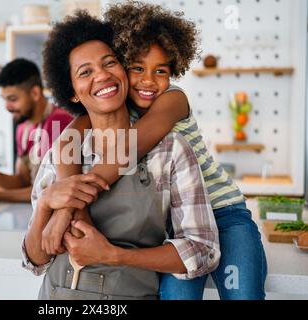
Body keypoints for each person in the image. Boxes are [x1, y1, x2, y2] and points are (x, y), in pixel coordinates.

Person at [46, 2, 267, 300]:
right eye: (137, 68)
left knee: (245, 296)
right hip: (175, 228)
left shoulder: (172, 99)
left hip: (225, 215)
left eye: (160, 71)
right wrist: (64, 200)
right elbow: (67, 141)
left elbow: (130, 149)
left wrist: (68, 207)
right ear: (122, 66)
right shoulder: (116, 105)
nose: (148, 81)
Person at [21, 11, 220, 300]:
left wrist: (114, 255)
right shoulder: (62, 154)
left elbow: (203, 251)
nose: (101, 75)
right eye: (85, 72)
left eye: (109, 63)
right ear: (73, 92)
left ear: (124, 70)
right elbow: (36, 261)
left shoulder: (169, 150)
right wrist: (45, 206)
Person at [0, 58, 74, 202]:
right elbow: (22, 181)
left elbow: (52, 190)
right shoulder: (22, 128)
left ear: (35, 93)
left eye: (13, 99)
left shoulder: (59, 122)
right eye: (5, 99)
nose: (7, 107)